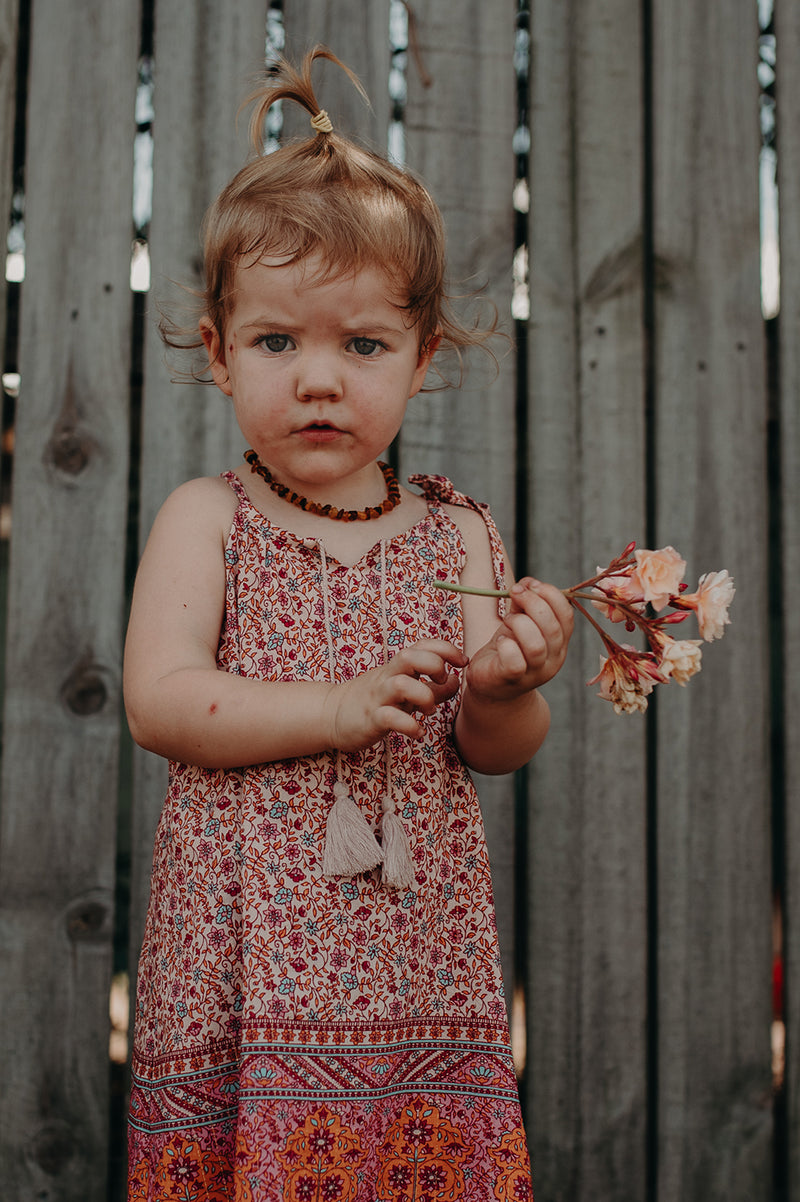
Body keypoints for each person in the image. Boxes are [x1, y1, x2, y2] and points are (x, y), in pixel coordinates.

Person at [124, 46, 573, 1201]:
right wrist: (331, 707)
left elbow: (491, 749)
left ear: (423, 358)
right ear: (220, 357)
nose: (318, 379)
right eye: (278, 342)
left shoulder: (458, 535)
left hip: (414, 961)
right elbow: (159, 699)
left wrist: (511, 687)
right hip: (245, 956)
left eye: (361, 344)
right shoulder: (208, 518)